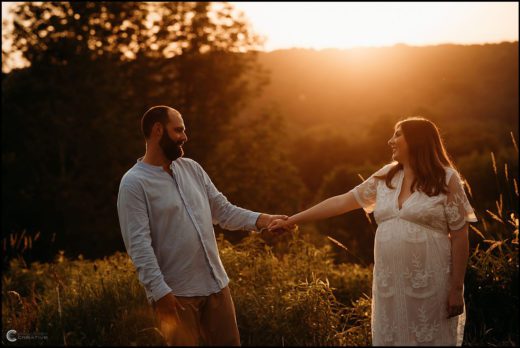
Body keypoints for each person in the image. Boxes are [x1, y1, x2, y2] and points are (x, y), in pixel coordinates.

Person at [269, 116, 477, 346]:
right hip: (390, 286)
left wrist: (456, 288)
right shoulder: (386, 177)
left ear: (417, 140)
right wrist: (292, 220)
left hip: (430, 285)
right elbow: (341, 202)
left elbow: (459, 236)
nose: (390, 141)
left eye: (398, 134)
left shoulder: (446, 179)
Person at [117, 105, 287, 346]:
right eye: (178, 130)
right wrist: (160, 293)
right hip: (176, 295)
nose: (184, 137)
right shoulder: (133, 183)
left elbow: (224, 211)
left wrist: (265, 220)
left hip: (217, 286)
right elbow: (138, 246)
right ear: (157, 130)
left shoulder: (192, 169)